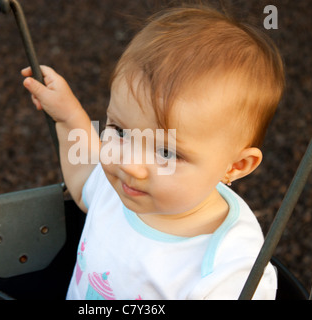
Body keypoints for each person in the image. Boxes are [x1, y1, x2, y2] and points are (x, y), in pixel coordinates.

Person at [21, 5, 285, 300]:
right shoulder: (122, 188)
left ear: (235, 165)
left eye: (167, 153)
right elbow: (84, 183)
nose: (130, 165)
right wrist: (69, 118)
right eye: (120, 132)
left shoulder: (229, 270)